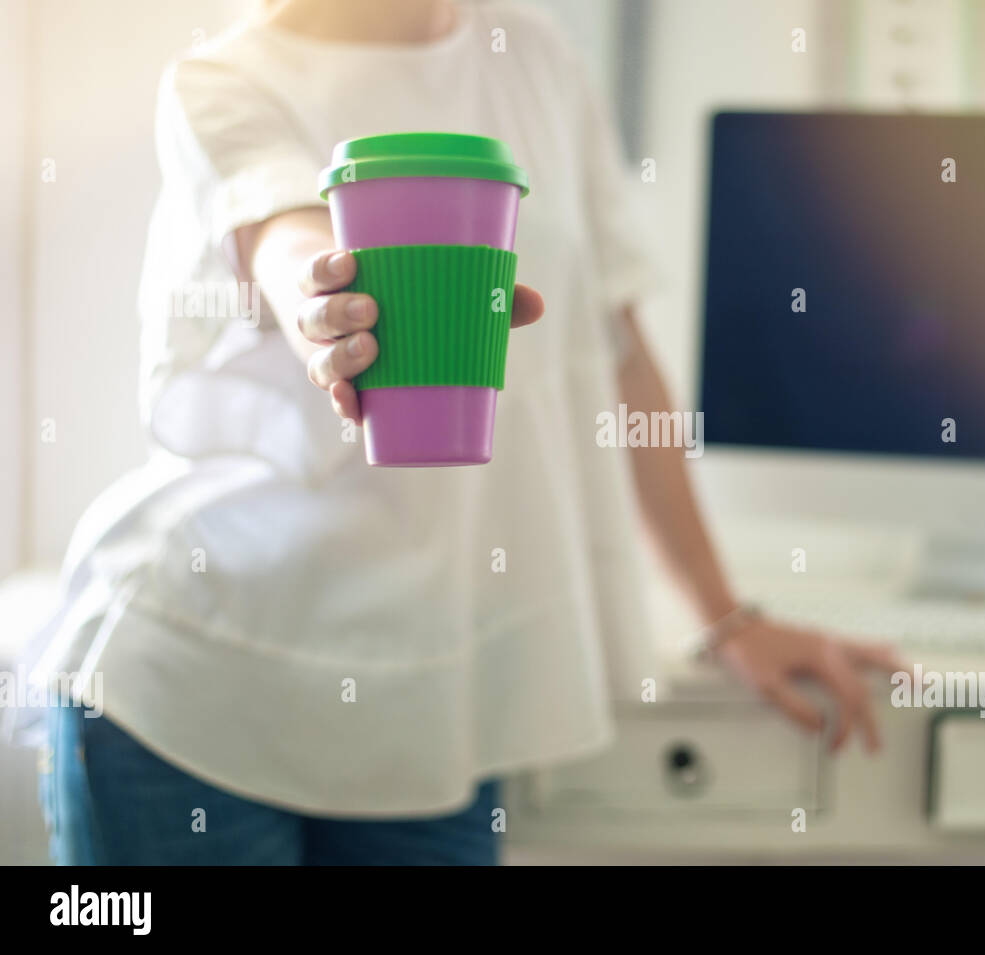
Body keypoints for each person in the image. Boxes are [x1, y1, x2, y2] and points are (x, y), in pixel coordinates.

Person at [29, 0, 900, 865]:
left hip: (437, 706)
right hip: (200, 691)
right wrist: (332, 311)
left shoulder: (536, 59)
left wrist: (725, 614)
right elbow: (286, 238)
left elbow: (621, 352)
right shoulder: (222, 81)